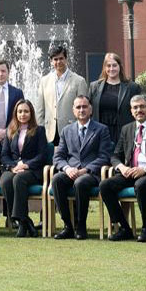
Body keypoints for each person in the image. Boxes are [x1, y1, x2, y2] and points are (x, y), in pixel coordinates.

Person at [100, 92, 146, 242]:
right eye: (135, 108)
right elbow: (115, 156)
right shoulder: (127, 129)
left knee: (140, 185)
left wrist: (145, 169)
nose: (139, 110)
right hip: (129, 172)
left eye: (142, 107)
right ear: (131, 111)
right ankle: (124, 228)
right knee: (105, 185)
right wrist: (121, 167)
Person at [50, 94, 110, 239]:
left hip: (91, 173)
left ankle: (81, 225)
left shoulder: (101, 129)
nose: (81, 110)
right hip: (71, 171)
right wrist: (67, 168)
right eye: (78, 107)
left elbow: (104, 156)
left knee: (81, 182)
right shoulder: (66, 130)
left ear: (90, 109)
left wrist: (85, 170)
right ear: (73, 110)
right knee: (57, 179)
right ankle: (68, 226)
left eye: (84, 107)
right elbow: (58, 157)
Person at [0, 98, 49, 237]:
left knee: (18, 179)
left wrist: (26, 165)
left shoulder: (39, 131)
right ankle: (24, 220)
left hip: (32, 170)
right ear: (16, 113)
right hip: (13, 168)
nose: (23, 114)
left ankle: (20, 222)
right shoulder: (11, 130)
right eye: (20, 111)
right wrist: (13, 167)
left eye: (26, 111)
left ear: (31, 113)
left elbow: (42, 154)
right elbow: (4, 155)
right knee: (5, 181)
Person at [32, 44, 91, 144]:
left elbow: (84, 109)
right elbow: (39, 110)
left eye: (61, 58)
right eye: (55, 59)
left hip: (72, 132)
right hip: (49, 133)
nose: (58, 62)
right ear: (51, 61)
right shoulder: (44, 81)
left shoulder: (79, 81)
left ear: (66, 59)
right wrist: (42, 129)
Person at [88, 52, 137, 140]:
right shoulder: (94, 86)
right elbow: (89, 111)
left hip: (123, 134)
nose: (111, 69)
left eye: (114, 65)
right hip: (99, 134)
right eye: (108, 66)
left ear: (120, 67)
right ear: (104, 68)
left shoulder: (132, 87)